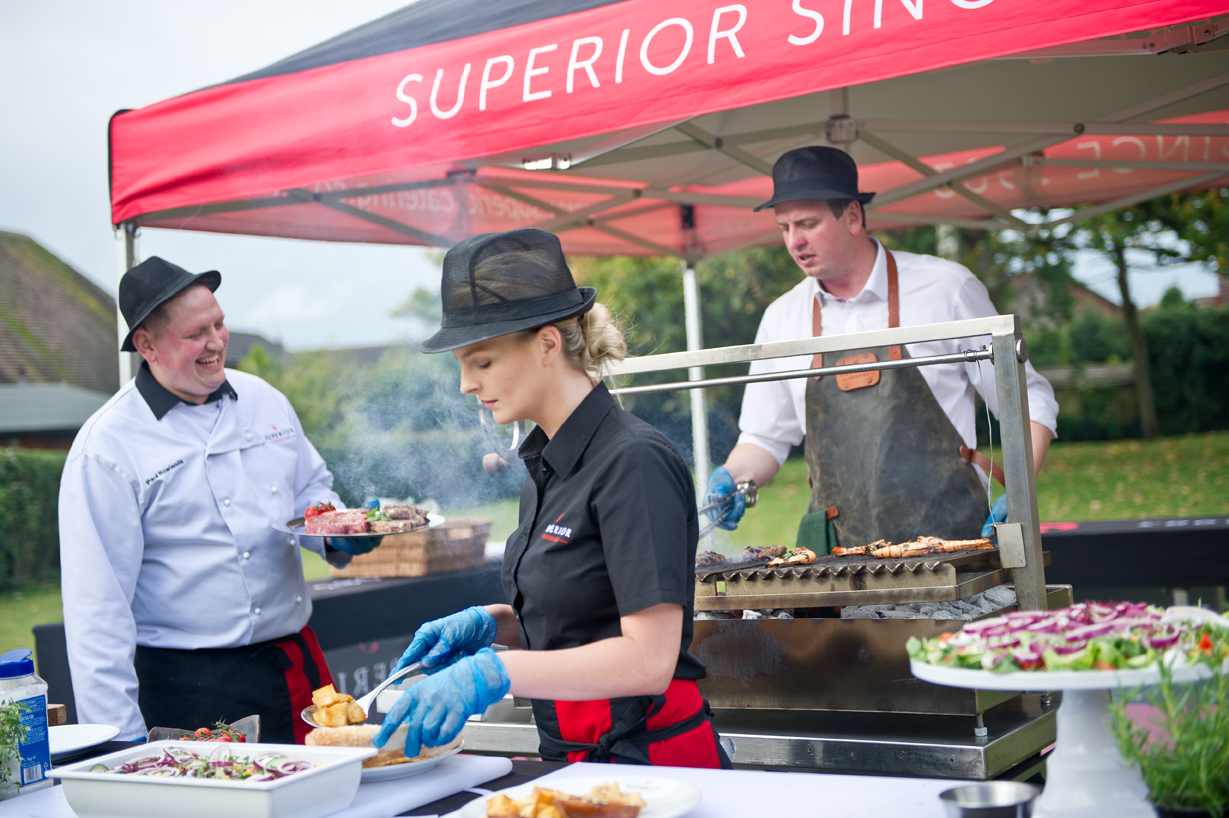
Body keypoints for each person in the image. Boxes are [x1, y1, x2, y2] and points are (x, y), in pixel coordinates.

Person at [373, 229, 729, 768]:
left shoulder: (632, 460)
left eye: (482, 362)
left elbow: (650, 661)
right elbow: (578, 617)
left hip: (651, 763)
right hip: (575, 763)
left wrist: (497, 671)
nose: (466, 384)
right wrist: (494, 624)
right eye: (462, 365)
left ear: (547, 344)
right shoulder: (546, 465)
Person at [59, 257, 381, 743]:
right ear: (146, 345)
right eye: (196, 333)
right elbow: (97, 612)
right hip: (188, 691)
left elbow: (309, 491)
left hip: (294, 667)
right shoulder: (107, 447)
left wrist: (336, 533)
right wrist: (117, 742)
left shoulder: (264, 399)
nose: (216, 342)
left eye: (219, 324)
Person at [704, 146, 1058, 549]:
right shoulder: (781, 318)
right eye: (784, 227)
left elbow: (1028, 401)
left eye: (807, 224)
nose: (794, 241)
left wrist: (1021, 489)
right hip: (837, 560)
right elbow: (765, 437)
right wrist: (732, 477)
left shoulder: (946, 289)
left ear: (853, 216)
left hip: (954, 548)